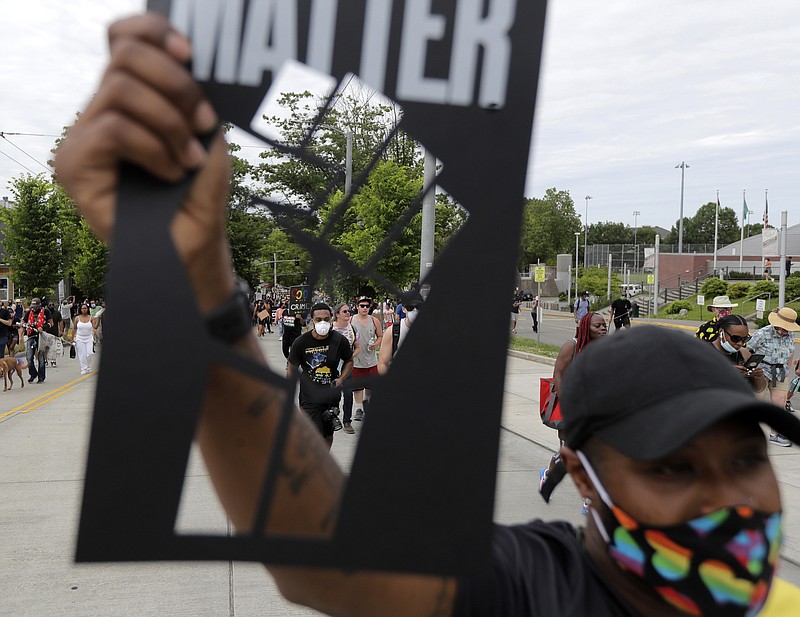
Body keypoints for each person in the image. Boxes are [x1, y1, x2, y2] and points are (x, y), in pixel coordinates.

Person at [54, 16, 800, 617]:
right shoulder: (529, 589)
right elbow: (331, 561)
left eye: (746, 456)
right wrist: (198, 283)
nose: (730, 498)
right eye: (673, 467)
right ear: (583, 476)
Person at [539, 312, 607, 512]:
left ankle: (589, 501)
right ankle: (548, 475)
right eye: (598, 326)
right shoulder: (573, 346)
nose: (603, 329)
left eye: (604, 325)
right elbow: (558, 374)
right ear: (586, 327)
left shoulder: (604, 347)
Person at [287, 303, 354, 449]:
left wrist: (341, 378)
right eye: (318, 319)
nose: (322, 322)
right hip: (309, 397)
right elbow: (291, 370)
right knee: (314, 434)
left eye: (326, 319)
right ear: (312, 320)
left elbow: (349, 361)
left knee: (327, 434)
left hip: (331, 396)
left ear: (331, 319)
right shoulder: (301, 342)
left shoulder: (338, 340)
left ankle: (323, 462)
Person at [746, 307, 800, 447]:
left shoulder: (790, 335)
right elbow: (747, 350)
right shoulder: (763, 333)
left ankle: (775, 434)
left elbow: (791, 351)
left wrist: (788, 368)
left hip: (780, 371)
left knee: (779, 404)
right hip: (761, 370)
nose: (784, 331)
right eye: (782, 328)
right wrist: (750, 369)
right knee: (757, 402)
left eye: (787, 329)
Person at [704, 313, 767, 394]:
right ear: (721, 332)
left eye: (744, 339)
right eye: (735, 338)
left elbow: (758, 389)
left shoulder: (744, 354)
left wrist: (758, 377)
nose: (740, 343)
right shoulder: (704, 353)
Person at [350, 296, 382, 421]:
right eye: (362, 306)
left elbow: (380, 335)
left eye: (367, 306)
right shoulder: (351, 320)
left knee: (370, 386)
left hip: (371, 360)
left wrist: (376, 344)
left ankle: (366, 402)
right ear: (357, 307)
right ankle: (358, 409)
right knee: (357, 386)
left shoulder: (374, 321)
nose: (364, 308)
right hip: (356, 360)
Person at [377, 289, 424, 374]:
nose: (415, 310)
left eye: (418, 307)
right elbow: (383, 363)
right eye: (410, 307)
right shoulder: (393, 331)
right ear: (403, 309)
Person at [332, 303, 360, 434]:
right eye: (344, 311)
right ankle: (333, 417)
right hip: (332, 366)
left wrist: (350, 356)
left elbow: (358, 347)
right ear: (337, 314)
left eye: (349, 311)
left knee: (348, 394)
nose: (348, 313)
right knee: (334, 393)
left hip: (347, 366)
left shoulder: (353, 329)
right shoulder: (330, 329)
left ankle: (347, 421)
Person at [23, 298, 55, 383]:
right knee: (29, 356)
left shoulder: (46, 312)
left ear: (39, 305)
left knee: (41, 357)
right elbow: (23, 320)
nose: (34, 308)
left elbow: (51, 323)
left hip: (41, 336)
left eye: (36, 306)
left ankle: (41, 377)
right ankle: (33, 374)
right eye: (33, 306)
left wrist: (43, 327)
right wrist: (24, 324)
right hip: (31, 336)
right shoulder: (29, 312)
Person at [73, 303, 98, 375]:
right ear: (80, 310)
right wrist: (72, 338)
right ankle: (84, 368)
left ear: (88, 309)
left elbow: (95, 327)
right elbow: (74, 329)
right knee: (82, 354)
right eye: (83, 308)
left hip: (89, 338)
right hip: (80, 338)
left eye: (85, 308)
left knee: (89, 353)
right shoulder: (77, 318)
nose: (84, 310)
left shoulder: (91, 318)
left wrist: (98, 319)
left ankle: (88, 366)